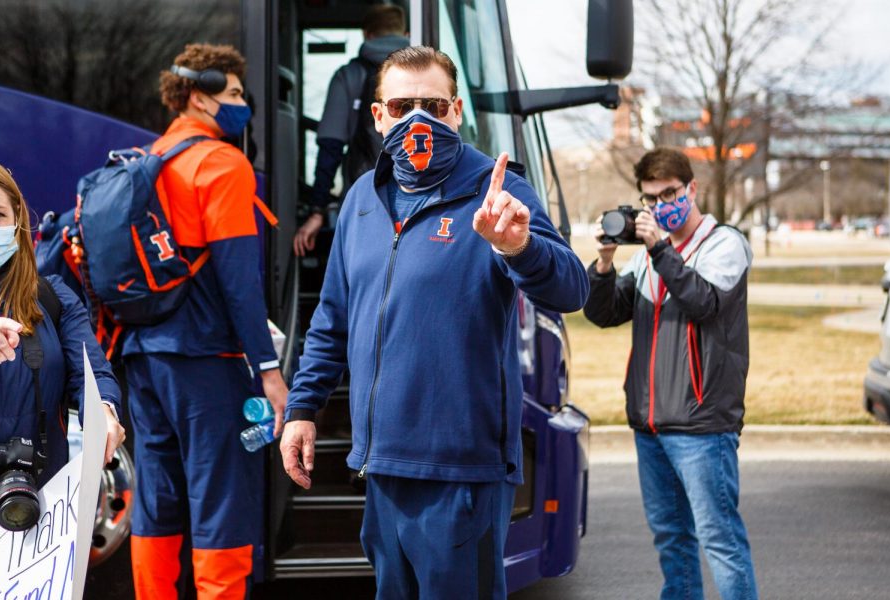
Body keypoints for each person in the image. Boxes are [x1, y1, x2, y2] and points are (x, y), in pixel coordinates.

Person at [279, 46, 589, 599]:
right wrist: (303, 408)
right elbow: (332, 319)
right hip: (382, 468)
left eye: (432, 104)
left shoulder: (498, 191)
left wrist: (518, 248)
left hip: (462, 472)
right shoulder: (362, 200)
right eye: (402, 105)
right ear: (378, 117)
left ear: (456, 111)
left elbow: (571, 287)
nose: (417, 119)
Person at [125, 44, 288, 599]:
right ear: (199, 96)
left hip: (143, 358)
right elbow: (239, 280)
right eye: (235, 95)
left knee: (155, 501)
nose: (244, 105)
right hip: (206, 363)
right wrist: (268, 370)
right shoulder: (220, 163)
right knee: (222, 500)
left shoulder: (149, 159)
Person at [583, 147, 758, 600]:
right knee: (672, 542)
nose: (661, 206)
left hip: (702, 424)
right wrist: (603, 264)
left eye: (669, 194)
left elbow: (702, 300)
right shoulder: (646, 257)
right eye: (651, 199)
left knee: (721, 541)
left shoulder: (724, 244)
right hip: (652, 424)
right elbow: (604, 313)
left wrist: (660, 247)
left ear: (692, 189)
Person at [0, 164, 125, 487]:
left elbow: (91, 372)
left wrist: (104, 412)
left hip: (40, 504)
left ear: (17, 223)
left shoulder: (53, 297)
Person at [293, 4, 409, 257]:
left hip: (366, 202)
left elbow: (330, 146)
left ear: (366, 34)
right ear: (407, 35)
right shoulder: (426, 78)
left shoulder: (348, 76)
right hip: (421, 201)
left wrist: (317, 211)